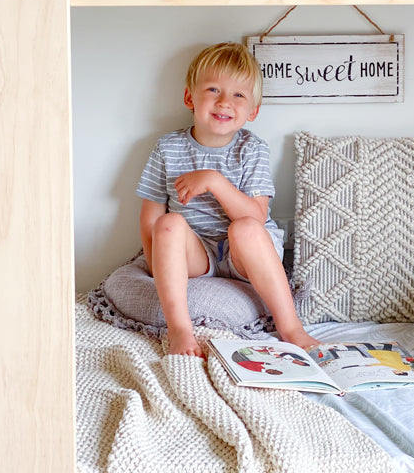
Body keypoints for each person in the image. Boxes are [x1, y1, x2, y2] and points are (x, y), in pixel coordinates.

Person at [136, 42, 317, 357]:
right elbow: (150, 215)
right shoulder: (168, 148)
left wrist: (215, 182)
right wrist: (157, 263)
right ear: (190, 98)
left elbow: (257, 216)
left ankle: (291, 327)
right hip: (199, 251)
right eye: (213, 90)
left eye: (238, 95)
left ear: (252, 112)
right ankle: (180, 331)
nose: (224, 102)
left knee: (245, 228)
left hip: (244, 253)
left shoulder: (252, 149)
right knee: (167, 223)